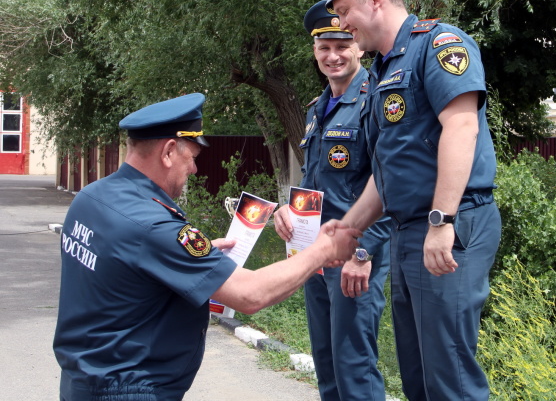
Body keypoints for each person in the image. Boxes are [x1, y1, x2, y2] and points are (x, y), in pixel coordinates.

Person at [53, 93, 361, 401]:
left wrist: (186, 258)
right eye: (193, 159)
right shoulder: (153, 225)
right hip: (128, 388)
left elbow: (123, 268)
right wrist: (323, 249)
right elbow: (250, 295)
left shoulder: (91, 198)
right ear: (169, 152)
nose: (195, 171)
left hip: (82, 383)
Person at [314, 0, 502, 401]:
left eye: (344, 12)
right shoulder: (384, 68)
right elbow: (388, 168)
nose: (344, 25)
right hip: (408, 231)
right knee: (418, 376)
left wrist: (441, 220)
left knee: (449, 377)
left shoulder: (438, 44)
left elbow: (462, 127)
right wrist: (349, 226)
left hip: (450, 226)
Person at [272, 1, 391, 401]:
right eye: (324, 47)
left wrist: (366, 250)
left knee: (354, 364)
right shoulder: (316, 109)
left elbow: (391, 180)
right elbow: (314, 181)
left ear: (358, 46)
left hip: (355, 255)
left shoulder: (376, 100)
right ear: (314, 51)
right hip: (316, 252)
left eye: (342, 45)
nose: (333, 56)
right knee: (326, 361)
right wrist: (286, 211)